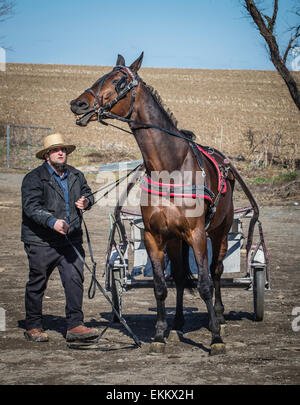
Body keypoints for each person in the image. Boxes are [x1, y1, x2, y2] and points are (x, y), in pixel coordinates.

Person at [21, 133, 99, 342]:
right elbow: (31, 207)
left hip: (70, 240)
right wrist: (52, 221)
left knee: (74, 279)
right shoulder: (34, 178)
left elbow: (88, 193)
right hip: (41, 241)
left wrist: (86, 202)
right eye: (56, 150)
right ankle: (33, 326)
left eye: (63, 150)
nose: (60, 153)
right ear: (47, 155)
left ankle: (75, 325)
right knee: (38, 282)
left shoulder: (76, 175)